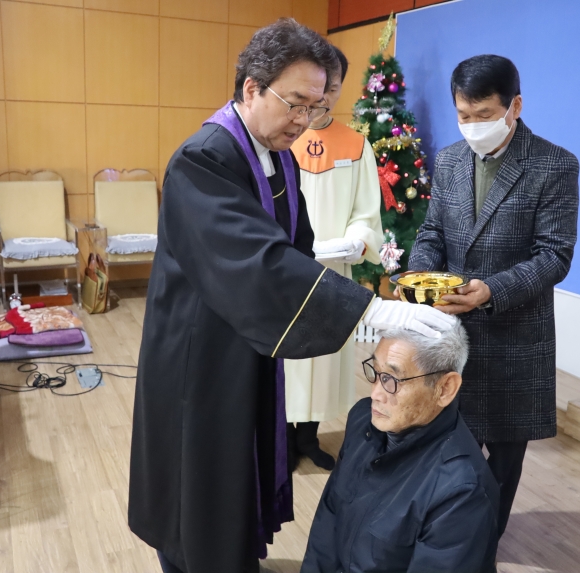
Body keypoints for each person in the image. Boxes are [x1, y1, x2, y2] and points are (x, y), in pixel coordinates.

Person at [128, 19, 456, 573]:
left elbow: (294, 247)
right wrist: (371, 311)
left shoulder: (278, 153)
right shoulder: (204, 158)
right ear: (252, 88)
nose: (305, 120)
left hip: (244, 344)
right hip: (200, 357)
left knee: (239, 474)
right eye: (296, 104)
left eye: (316, 107)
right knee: (198, 485)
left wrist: (347, 292)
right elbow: (256, 263)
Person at [408, 54, 579, 546]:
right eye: (464, 115)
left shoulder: (554, 164)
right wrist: (419, 275)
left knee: (503, 464)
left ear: (514, 106)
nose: (472, 126)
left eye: (483, 115)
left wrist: (492, 290)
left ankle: (484, 547)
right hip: (450, 335)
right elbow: (433, 233)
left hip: (514, 338)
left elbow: (554, 256)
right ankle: (443, 540)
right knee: (444, 450)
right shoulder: (449, 160)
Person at [301, 325, 499, 573]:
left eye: (391, 380)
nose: (375, 394)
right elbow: (328, 520)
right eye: (376, 372)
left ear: (445, 388)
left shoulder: (462, 491)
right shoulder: (363, 419)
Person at [285, 46, 384, 471]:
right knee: (286, 356)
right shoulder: (281, 138)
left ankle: (307, 437)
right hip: (286, 270)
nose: (323, 97)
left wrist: (357, 241)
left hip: (334, 271)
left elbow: (367, 211)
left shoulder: (356, 146)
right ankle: (281, 440)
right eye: (316, 87)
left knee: (322, 357)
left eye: (332, 87)